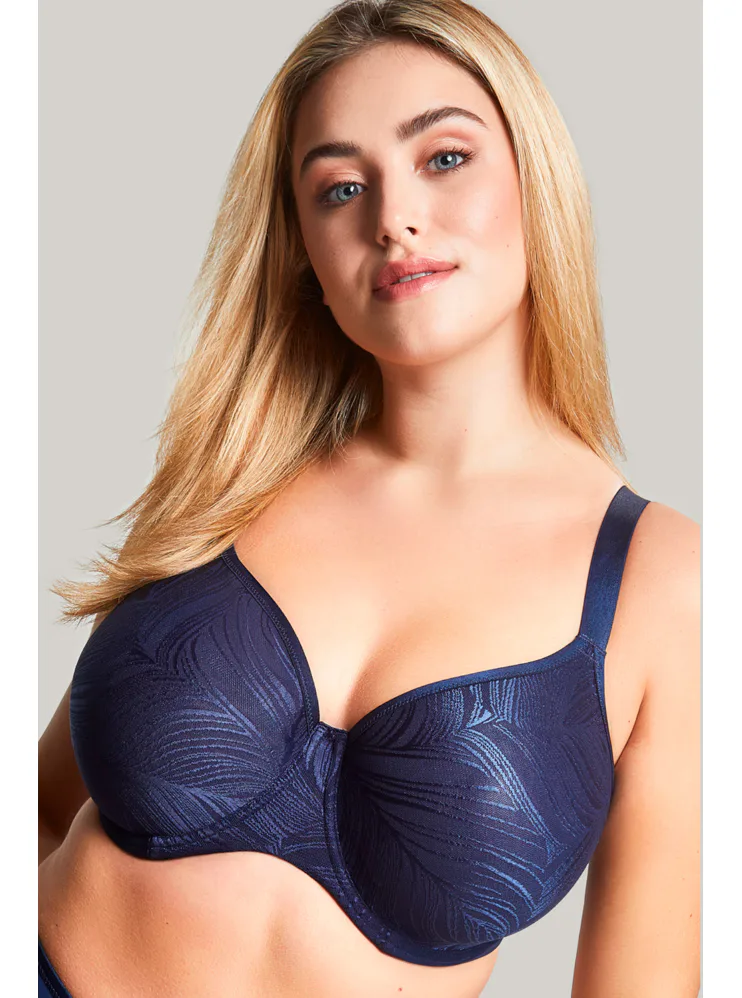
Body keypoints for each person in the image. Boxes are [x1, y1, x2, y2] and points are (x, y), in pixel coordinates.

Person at [38, 1, 700, 995]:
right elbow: (41, 804)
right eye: (340, 187)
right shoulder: (234, 477)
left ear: (538, 179)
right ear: (304, 249)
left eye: (445, 158)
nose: (392, 217)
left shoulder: (663, 580)